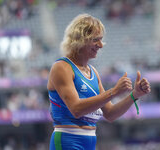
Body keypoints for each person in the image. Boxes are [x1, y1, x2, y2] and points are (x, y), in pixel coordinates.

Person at [47, 13, 151, 150]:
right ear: (80, 39)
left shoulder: (93, 72)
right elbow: (76, 109)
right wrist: (114, 91)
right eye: (96, 40)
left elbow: (110, 114)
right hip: (67, 140)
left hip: (89, 141)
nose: (101, 45)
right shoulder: (62, 67)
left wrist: (135, 95)